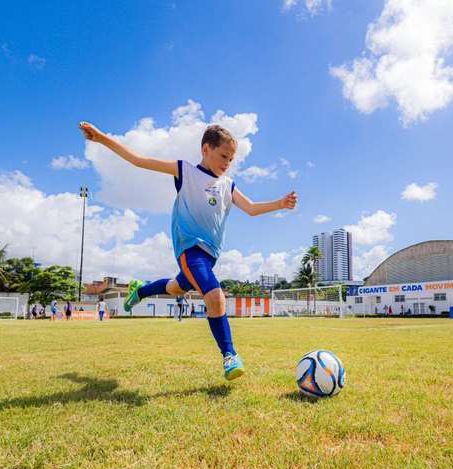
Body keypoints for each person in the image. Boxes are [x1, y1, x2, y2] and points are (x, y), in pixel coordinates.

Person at [80, 121, 297, 380]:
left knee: (176, 287)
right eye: (223, 156)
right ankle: (229, 355)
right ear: (206, 149)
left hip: (209, 255)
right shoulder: (185, 171)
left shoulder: (228, 185)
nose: (227, 162)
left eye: (231, 159)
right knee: (215, 296)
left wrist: (280, 203)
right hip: (189, 249)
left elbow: (250, 208)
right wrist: (102, 138)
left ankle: (140, 289)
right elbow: (139, 160)